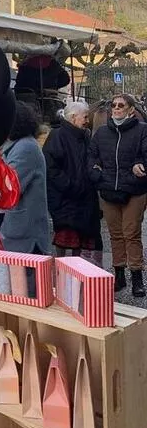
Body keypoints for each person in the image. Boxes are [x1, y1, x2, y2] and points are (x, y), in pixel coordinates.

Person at [88, 93, 147, 296]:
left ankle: (137, 278)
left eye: (121, 105)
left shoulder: (142, 130)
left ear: (131, 109)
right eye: (114, 105)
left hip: (134, 191)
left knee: (131, 233)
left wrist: (142, 165)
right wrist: (95, 173)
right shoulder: (102, 133)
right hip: (108, 190)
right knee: (116, 235)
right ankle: (119, 276)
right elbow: (91, 156)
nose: (116, 108)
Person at [43, 102, 102, 263]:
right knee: (64, 236)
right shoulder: (57, 136)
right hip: (65, 198)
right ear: (73, 117)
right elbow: (51, 168)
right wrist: (71, 186)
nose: (87, 120)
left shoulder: (85, 135)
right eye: (84, 117)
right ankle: (59, 272)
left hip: (84, 197)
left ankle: (76, 272)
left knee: (81, 239)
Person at [0, 102, 51, 255]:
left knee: (26, 278)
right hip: (16, 232)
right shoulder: (15, 145)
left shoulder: (25, 148)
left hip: (24, 236)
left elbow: (8, 187)